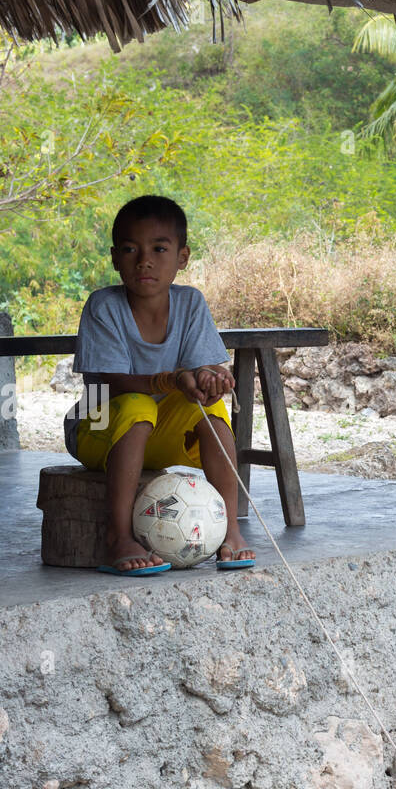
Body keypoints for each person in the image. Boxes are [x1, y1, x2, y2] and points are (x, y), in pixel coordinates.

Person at [65, 194, 255, 575]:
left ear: (182, 258)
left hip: (158, 436)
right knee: (139, 404)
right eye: (130, 249)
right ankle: (117, 538)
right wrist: (170, 379)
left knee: (212, 409)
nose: (144, 260)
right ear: (115, 257)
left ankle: (230, 530)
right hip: (98, 426)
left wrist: (210, 378)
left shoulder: (191, 303)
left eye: (159, 248)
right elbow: (110, 382)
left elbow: (204, 363)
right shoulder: (104, 305)